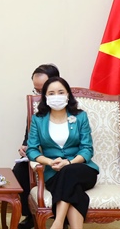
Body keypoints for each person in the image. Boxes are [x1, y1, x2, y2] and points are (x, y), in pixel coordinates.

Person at [26, 77, 99, 229]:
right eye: (51, 93)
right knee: (75, 191)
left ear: (68, 95)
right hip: (53, 173)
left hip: (82, 170)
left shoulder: (80, 117)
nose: (56, 96)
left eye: (61, 92)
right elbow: (31, 149)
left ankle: (58, 223)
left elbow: (87, 148)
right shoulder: (38, 120)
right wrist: (49, 162)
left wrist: (69, 162)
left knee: (68, 171)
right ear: (45, 97)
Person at [12, 63, 60, 229]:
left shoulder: (69, 105)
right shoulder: (35, 107)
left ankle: (63, 219)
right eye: (36, 90)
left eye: (42, 90)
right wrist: (25, 147)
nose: (39, 95)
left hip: (63, 156)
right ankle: (31, 215)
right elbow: (29, 137)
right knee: (19, 171)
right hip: (40, 156)